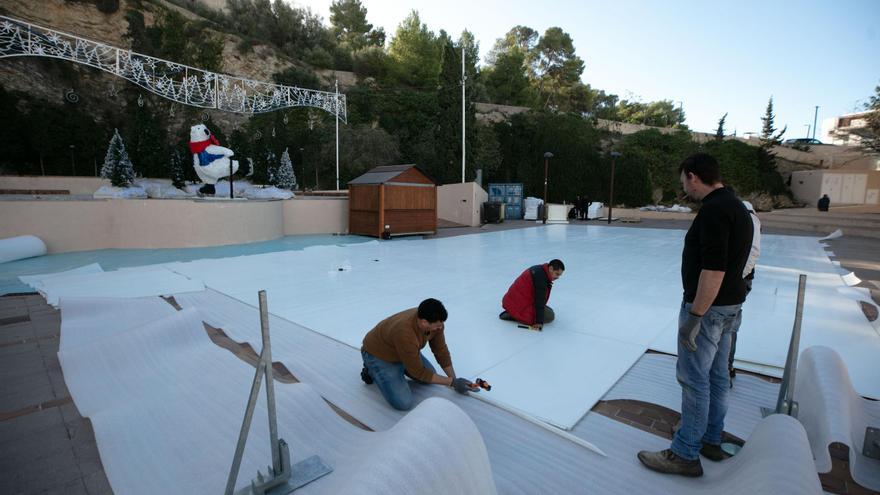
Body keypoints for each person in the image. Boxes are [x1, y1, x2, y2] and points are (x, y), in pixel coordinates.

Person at [638, 153, 754, 477]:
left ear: (692, 176)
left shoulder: (715, 211)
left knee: (693, 380)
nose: (684, 189)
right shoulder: (737, 207)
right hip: (730, 308)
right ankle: (709, 438)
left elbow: (713, 270)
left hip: (709, 311)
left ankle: (685, 452)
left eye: (683, 182)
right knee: (717, 378)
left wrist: (695, 316)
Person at [360, 298, 472, 410]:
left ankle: (407, 363)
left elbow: (440, 350)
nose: (441, 327)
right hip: (379, 355)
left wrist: (455, 380)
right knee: (403, 402)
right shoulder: (405, 333)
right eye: (438, 325)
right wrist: (452, 382)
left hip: (404, 351)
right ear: (424, 323)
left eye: (442, 323)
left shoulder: (434, 321)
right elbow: (419, 372)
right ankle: (371, 369)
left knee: (431, 375)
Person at [729, 200, 762, 386]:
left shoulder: (749, 219)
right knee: (727, 325)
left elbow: (753, 252)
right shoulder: (745, 216)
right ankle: (723, 367)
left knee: (729, 326)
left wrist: (737, 278)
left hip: (737, 282)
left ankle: (725, 369)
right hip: (737, 280)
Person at [499, 259, 565, 330]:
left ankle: (513, 311)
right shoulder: (541, 279)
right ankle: (514, 315)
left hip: (513, 301)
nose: (558, 277)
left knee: (548, 310)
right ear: (551, 268)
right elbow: (539, 300)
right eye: (557, 274)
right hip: (519, 305)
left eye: (559, 275)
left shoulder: (540, 270)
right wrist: (538, 322)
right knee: (550, 316)